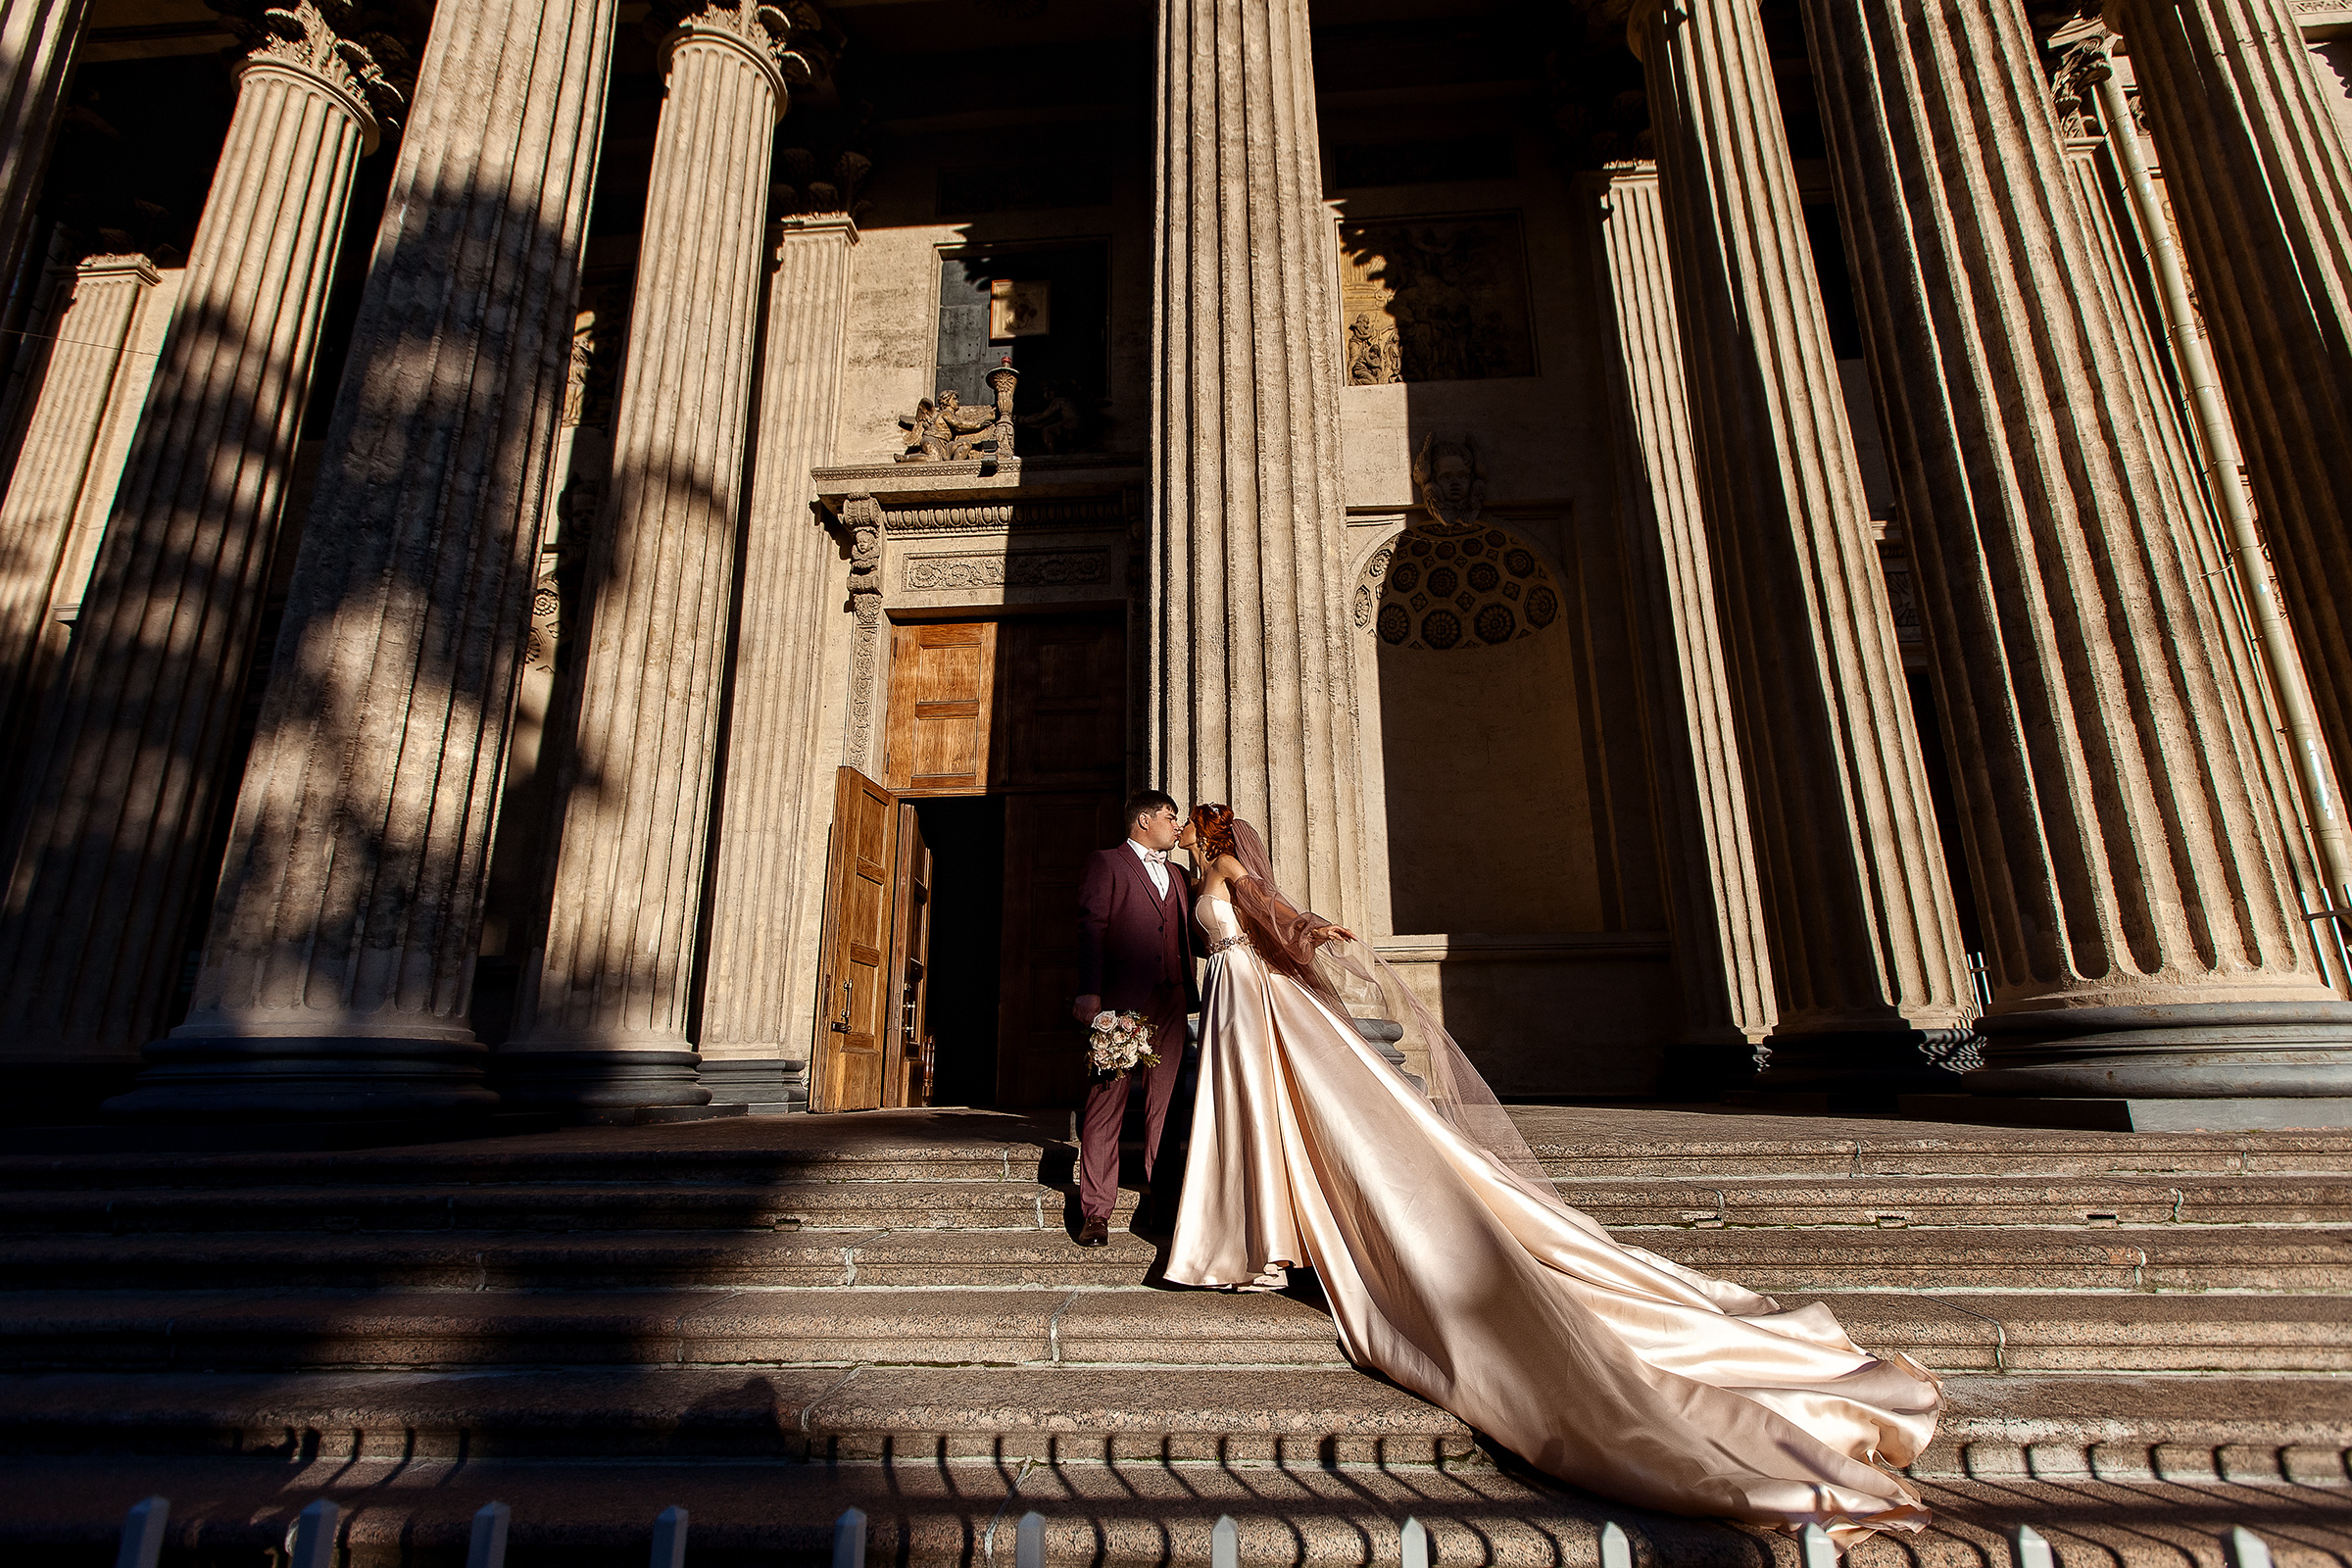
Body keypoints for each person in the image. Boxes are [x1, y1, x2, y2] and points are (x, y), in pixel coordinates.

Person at [1164, 804, 1942, 1548]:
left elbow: (1275, 916)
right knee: (1256, 1114)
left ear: (1219, 837)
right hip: (1232, 998)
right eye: (1198, 831)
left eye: (1200, 828)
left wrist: (1314, 928)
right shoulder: (1194, 879)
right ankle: (1249, 1232)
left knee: (1308, 1113)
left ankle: (1255, 1234)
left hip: (1257, 997)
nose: (1199, 838)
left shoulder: (1230, 868)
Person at [1068, 790, 1198, 1249]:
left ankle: (1162, 1203)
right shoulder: (1107, 863)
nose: (1177, 824)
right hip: (1121, 1004)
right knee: (1107, 1103)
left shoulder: (1180, 875)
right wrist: (1090, 990)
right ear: (1144, 820)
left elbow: (1194, 935)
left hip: (1172, 1002)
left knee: (1167, 1107)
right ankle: (1096, 1211)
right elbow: (1092, 928)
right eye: (1170, 816)